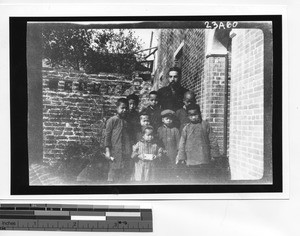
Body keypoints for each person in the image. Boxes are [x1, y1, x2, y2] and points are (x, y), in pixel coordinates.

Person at [176, 103, 220, 183]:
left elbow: (213, 140)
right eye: (190, 115)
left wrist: (215, 155)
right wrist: (182, 157)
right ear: (188, 116)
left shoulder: (205, 125)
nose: (193, 117)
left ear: (199, 113)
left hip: (204, 159)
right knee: (193, 181)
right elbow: (182, 143)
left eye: (195, 114)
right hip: (191, 160)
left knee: (204, 180)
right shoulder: (186, 128)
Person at [104, 98, 133, 183]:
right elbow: (107, 136)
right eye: (122, 108)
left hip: (126, 152)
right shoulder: (112, 120)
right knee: (114, 173)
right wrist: (107, 151)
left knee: (124, 175)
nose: (124, 110)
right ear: (117, 108)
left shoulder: (127, 122)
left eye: (126, 108)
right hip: (115, 151)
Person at [156, 109, 180, 181]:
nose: (169, 120)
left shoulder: (175, 130)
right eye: (167, 119)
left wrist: (178, 154)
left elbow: (179, 143)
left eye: (170, 119)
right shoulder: (159, 129)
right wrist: (160, 149)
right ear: (163, 120)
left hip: (173, 153)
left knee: (172, 170)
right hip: (163, 153)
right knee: (162, 170)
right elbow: (157, 141)